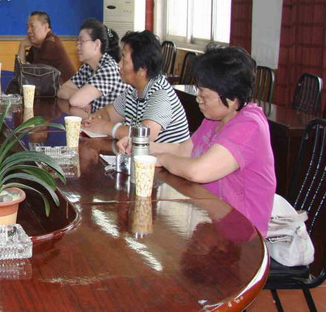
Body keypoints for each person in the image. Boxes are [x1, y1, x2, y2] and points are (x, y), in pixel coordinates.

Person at [122, 46, 276, 236]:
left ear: (232, 98)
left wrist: (160, 159)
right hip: (210, 221)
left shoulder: (249, 126)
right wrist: (141, 145)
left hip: (242, 235)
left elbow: (198, 172)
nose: (198, 100)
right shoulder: (215, 118)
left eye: (204, 96)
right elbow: (183, 150)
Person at [83, 30, 190, 144]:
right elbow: (109, 113)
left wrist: (105, 127)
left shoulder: (161, 94)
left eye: (124, 59)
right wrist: (94, 119)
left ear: (142, 69)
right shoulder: (133, 90)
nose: (119, 64)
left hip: (164, 156)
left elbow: (145, 135)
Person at [57, 18, 127, 112]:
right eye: (77, 42)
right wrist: (83, 98)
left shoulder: (108, 69)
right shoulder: (87, 67)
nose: (77, 47)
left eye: (82, 41)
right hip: (95, 118)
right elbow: (62, 91)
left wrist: (81, 97)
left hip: (112, 121)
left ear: (96, 44)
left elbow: (75, 100)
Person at [17, 11, 76, 82]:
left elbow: (32, 76)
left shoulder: (51, 44)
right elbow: (20, 71)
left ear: (46, 27)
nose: (29, 31)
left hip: (66, 88)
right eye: (27, 27)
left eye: (32, 26)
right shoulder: (37, 45)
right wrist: (22, 46)